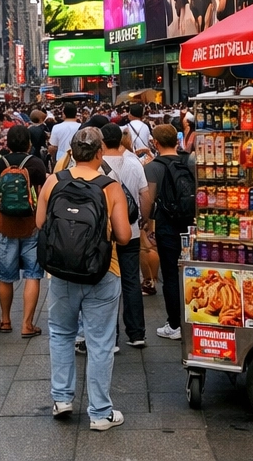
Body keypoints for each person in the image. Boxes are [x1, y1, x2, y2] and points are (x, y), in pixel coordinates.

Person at [37, 127, 130, 431]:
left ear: (73, 152)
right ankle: (100, 413)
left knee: (61, 333)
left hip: (61, 272)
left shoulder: (54, 181)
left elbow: (40, 222)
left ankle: (62, 399)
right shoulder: (110, 187)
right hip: (103, 272)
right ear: (100, 153)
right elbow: (124, 236)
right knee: (100, 342)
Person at [0, 125, 48, 338]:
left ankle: (5, 320)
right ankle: (27, 325)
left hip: (6, 227)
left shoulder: (0, 164)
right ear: (29, 143)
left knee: (5, 277)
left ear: (8, 143)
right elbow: (42, 195)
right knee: (32, 275)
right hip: (31, 226)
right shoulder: (36, 163)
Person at [144, 123, 196, 339]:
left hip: (167, 224)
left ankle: (175, 324)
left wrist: (147, 223)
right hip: (191, 223)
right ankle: (193, 319)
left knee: (171, 274)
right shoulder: (189, 161)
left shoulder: (153, 167)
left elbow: (148, 199)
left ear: (155, 143)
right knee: (190, 271)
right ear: (176, 140)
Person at [100, 122, 149, 349]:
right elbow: (145, 195)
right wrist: (144, 219)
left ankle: (111, 336)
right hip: (131, 230)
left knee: (106, 282)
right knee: (131, 280)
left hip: (106, 233)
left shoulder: (96, 166)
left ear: (102, 142)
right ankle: (137, 333)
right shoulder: (133, 162)